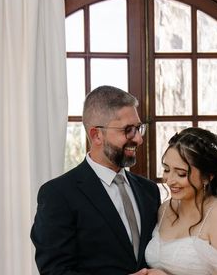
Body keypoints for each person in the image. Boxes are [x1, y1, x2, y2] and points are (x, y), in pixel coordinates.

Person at [31, 85, 161, 275]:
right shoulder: (58, 194)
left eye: (139, 128)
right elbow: (55, 271)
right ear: (96, 135)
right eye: (128, 130)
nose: (139, 139)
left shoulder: (149, 190)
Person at [136, 127, 217, 275]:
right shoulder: (165, 209)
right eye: (166, 170)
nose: (169, 180)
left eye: (181, 173)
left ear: (207, 176)